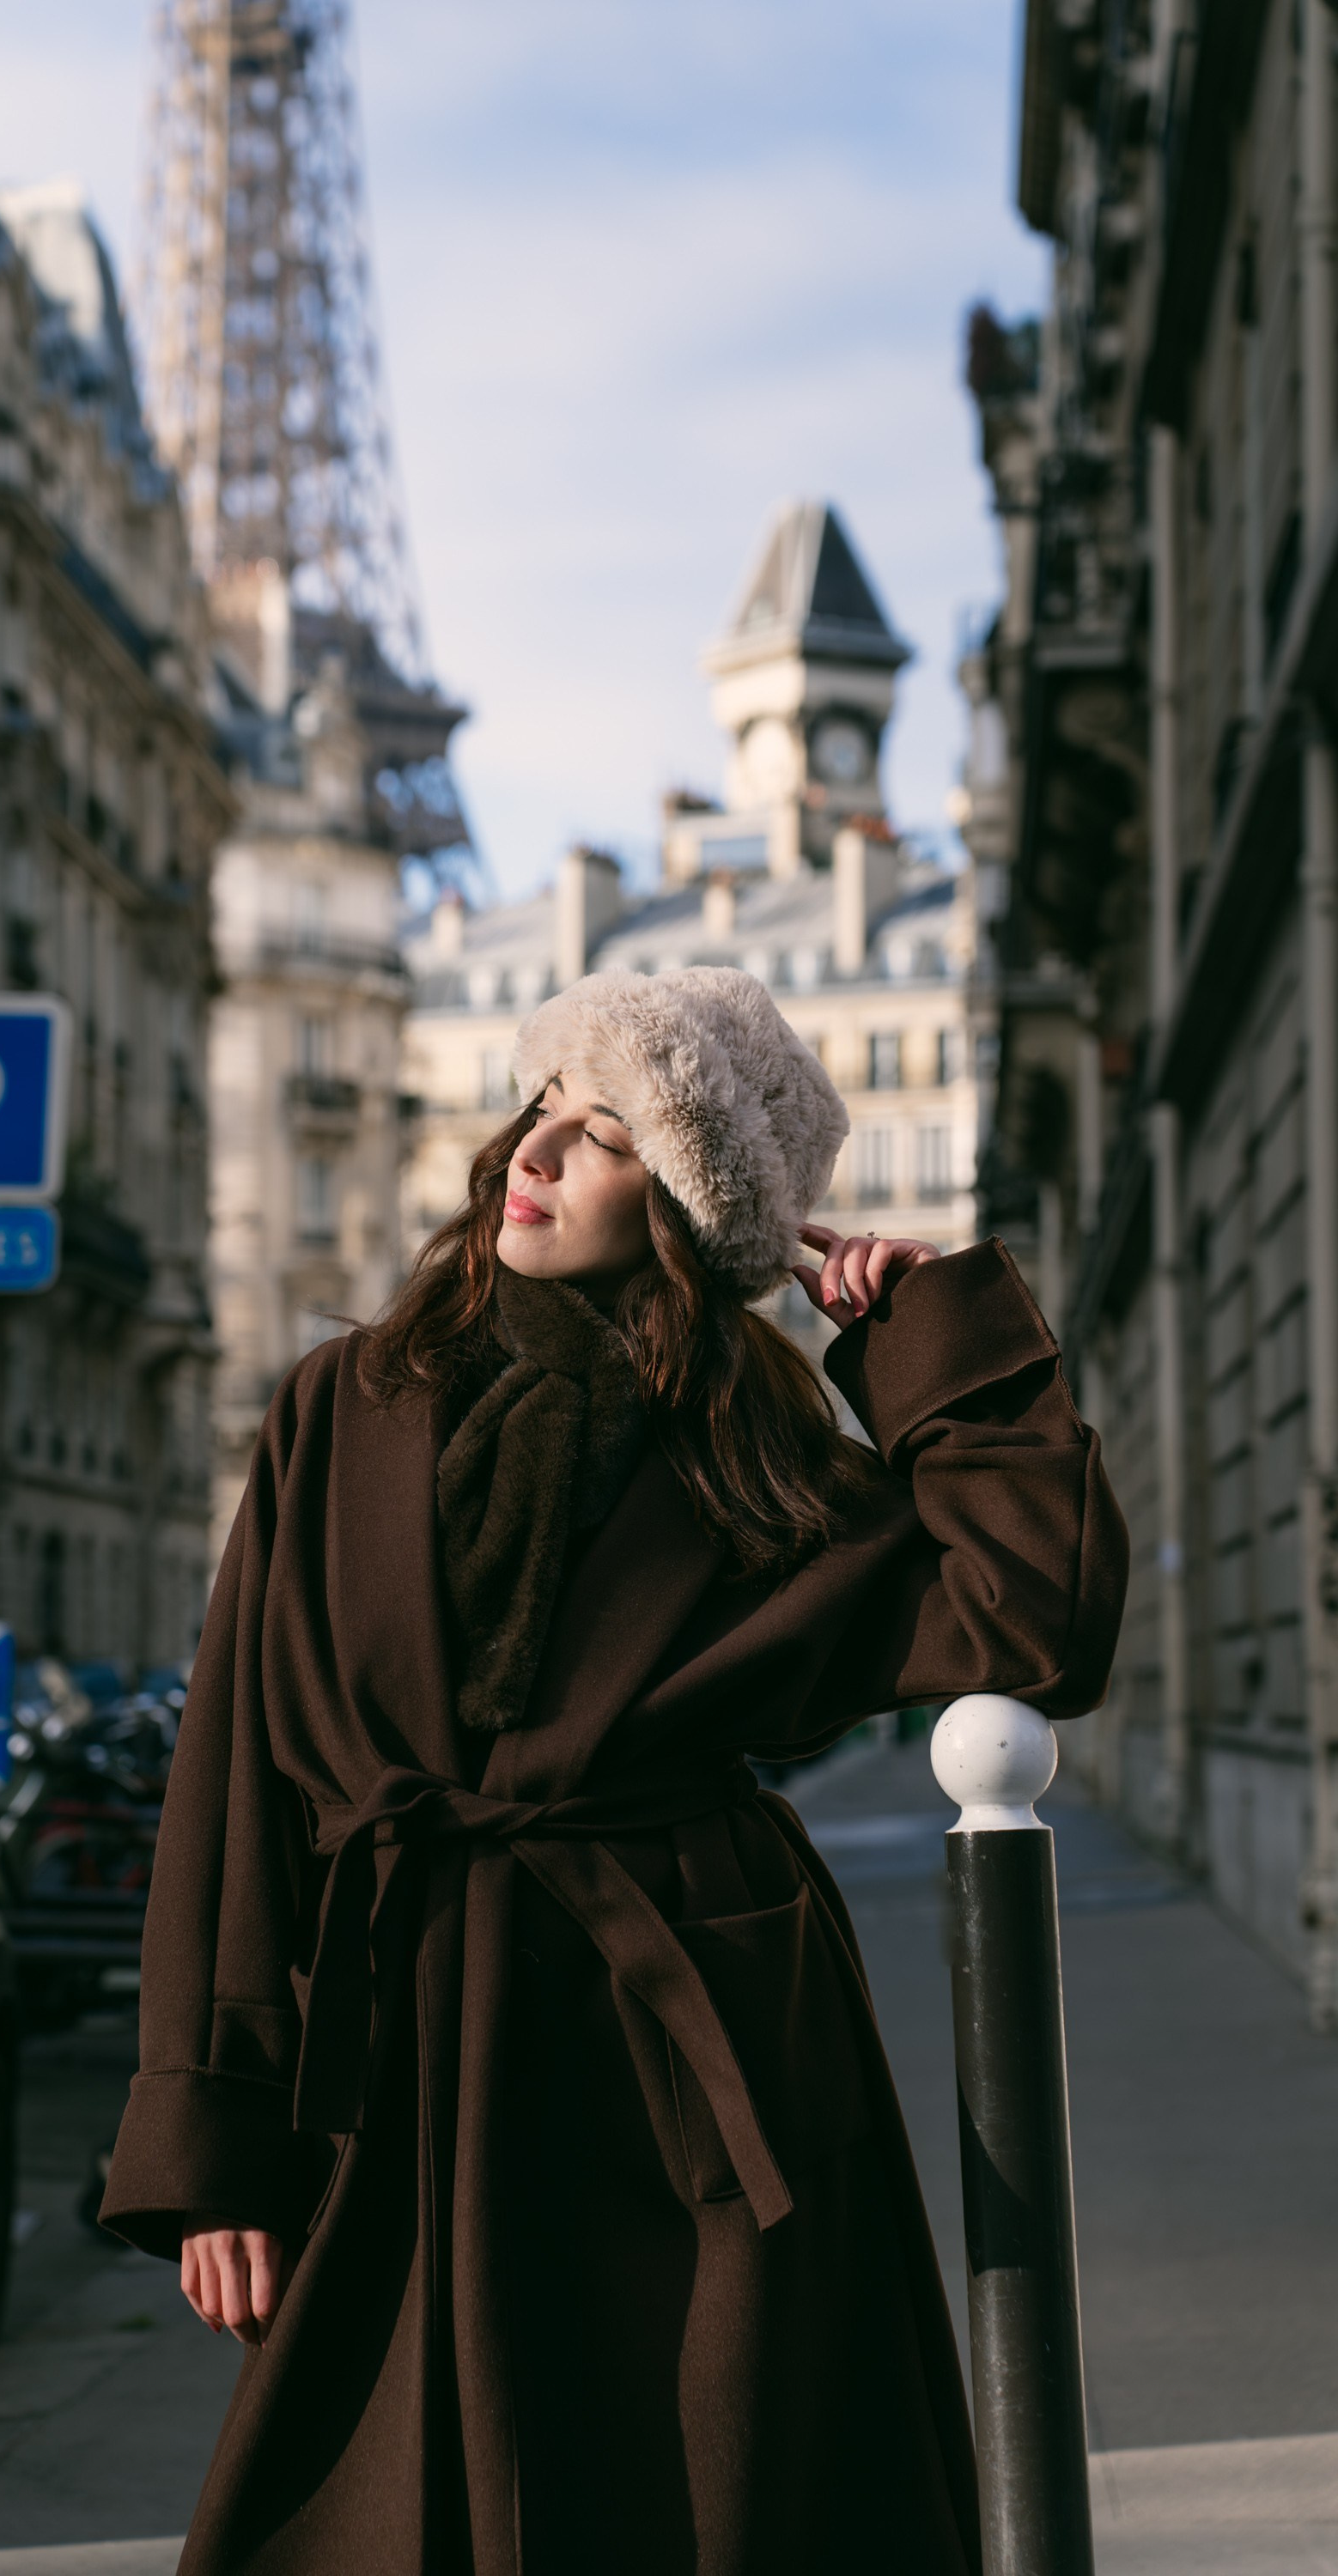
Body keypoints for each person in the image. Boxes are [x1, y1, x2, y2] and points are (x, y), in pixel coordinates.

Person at [100, 966, 1128, 2576]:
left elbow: (1031, 1620)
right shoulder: (338, 1408)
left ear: (693, 1219)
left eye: (609, 1139)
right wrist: (208, 2133)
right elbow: (233, 1785)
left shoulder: (759, 1453)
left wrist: (922, 1339)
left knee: (706, 2502)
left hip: (687, 2044)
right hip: (411, 2048)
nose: (542, 1155)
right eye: (547, 1113)